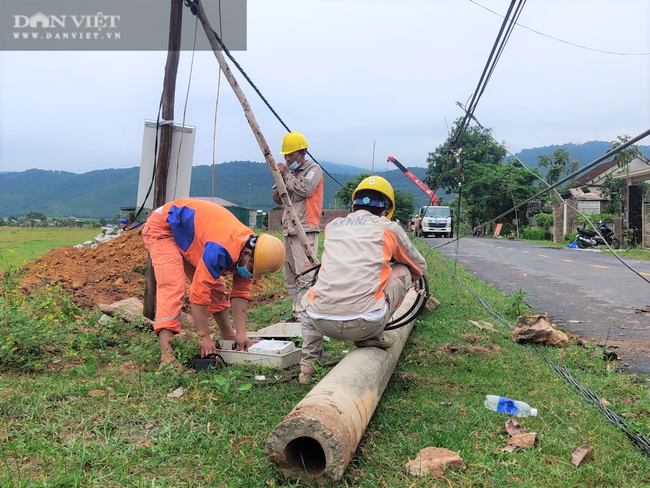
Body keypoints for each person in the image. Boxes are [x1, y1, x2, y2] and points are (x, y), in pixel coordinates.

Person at [298, 176, 427, 384]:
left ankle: (308, 369)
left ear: (353, 205)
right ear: (386, 210)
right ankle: (374, 335)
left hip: (320, 320)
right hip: (367, 322)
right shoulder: (389, 228)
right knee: (403, 268)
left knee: (310, 297)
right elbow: (419, 268)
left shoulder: (333, 226)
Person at [142, 198, 285, 370]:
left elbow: (240, 294)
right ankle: (167, 357)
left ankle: (228, 334)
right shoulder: (222, 249)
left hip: (188, 234)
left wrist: (241, 333)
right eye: (253, 269)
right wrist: (204, 336)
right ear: (247, 253)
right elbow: (198, 294)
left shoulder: (255, 250)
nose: (252, 274)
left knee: (215, 285)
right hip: (164, 226)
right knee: (173, 286)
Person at [271, 132, 324, 322]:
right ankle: (297, 313)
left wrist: (286, 175)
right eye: (285, 155)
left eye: (291, 155)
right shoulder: (289, 173)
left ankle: (308, 314)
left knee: (305, 275)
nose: (287, 159)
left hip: (305, 229)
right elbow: (277, 198)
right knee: (290, 275)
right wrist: (279, 177)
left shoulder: (313, 170)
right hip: (289, 229)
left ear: (302, 153)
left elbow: (304, 189)